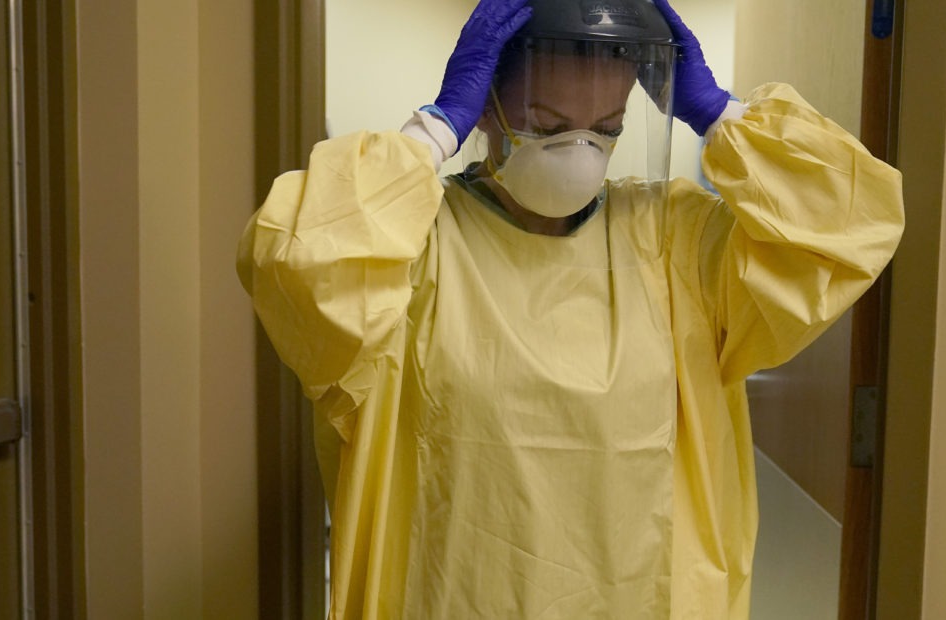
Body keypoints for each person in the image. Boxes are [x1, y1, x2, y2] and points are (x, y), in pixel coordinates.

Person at [237, 0, 904, 617]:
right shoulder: (411, 247)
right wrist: (431, 130)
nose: (581, 155)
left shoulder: (673, 240)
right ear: (490, 107)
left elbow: (849, 224)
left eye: (606, 129)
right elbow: (293, 260)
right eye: (547, 126)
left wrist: (720, 115)